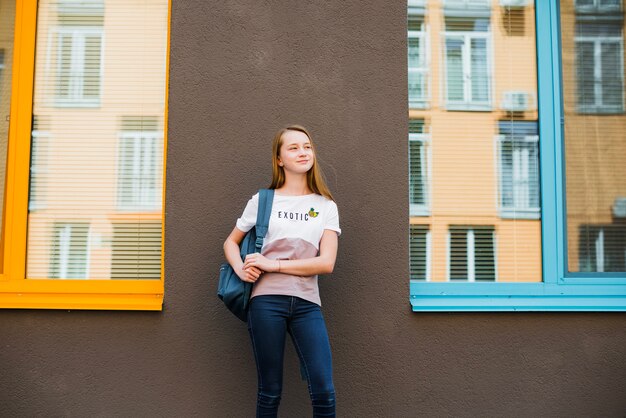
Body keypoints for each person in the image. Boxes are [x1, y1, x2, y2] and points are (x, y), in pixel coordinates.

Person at [223, 125, 340, 417]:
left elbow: (326, 263)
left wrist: (272, 264)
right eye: (293, 148)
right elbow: (230, 242)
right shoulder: (263, 200)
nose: (303, 153)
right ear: (279, 159)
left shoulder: (325, 206)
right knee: (270, 390)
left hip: (307, 303)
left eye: (307, 146)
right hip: (266, 302)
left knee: (324, 391)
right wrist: (241, 269)